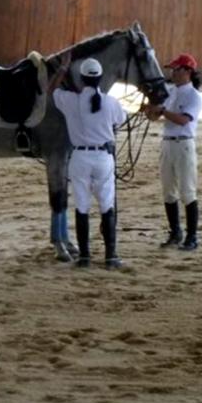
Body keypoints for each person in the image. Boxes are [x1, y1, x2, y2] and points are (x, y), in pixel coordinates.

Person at [51, 54, 128, 269]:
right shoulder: (112, 102)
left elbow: (52, 92)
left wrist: (62, 71)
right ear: (100, 78)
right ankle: (111, 256)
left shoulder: (70, 100)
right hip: (103, 157)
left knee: (82, 206)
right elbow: (120, 121)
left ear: (82, 78)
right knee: (107, 205)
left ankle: (84, 256)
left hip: (79, 158)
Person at [144, 53, 202, 251]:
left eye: (176, 70)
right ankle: (175, 231)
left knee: (187, 191)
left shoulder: (194, 96)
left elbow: (184, 120)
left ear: (187, 71)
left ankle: (192, 236)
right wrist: (150, 110)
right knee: (168, 191)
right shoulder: (171, 91)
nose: (173, 73)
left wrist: (161, 111)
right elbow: (155, 116)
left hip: (184, 144)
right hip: (168, 143)